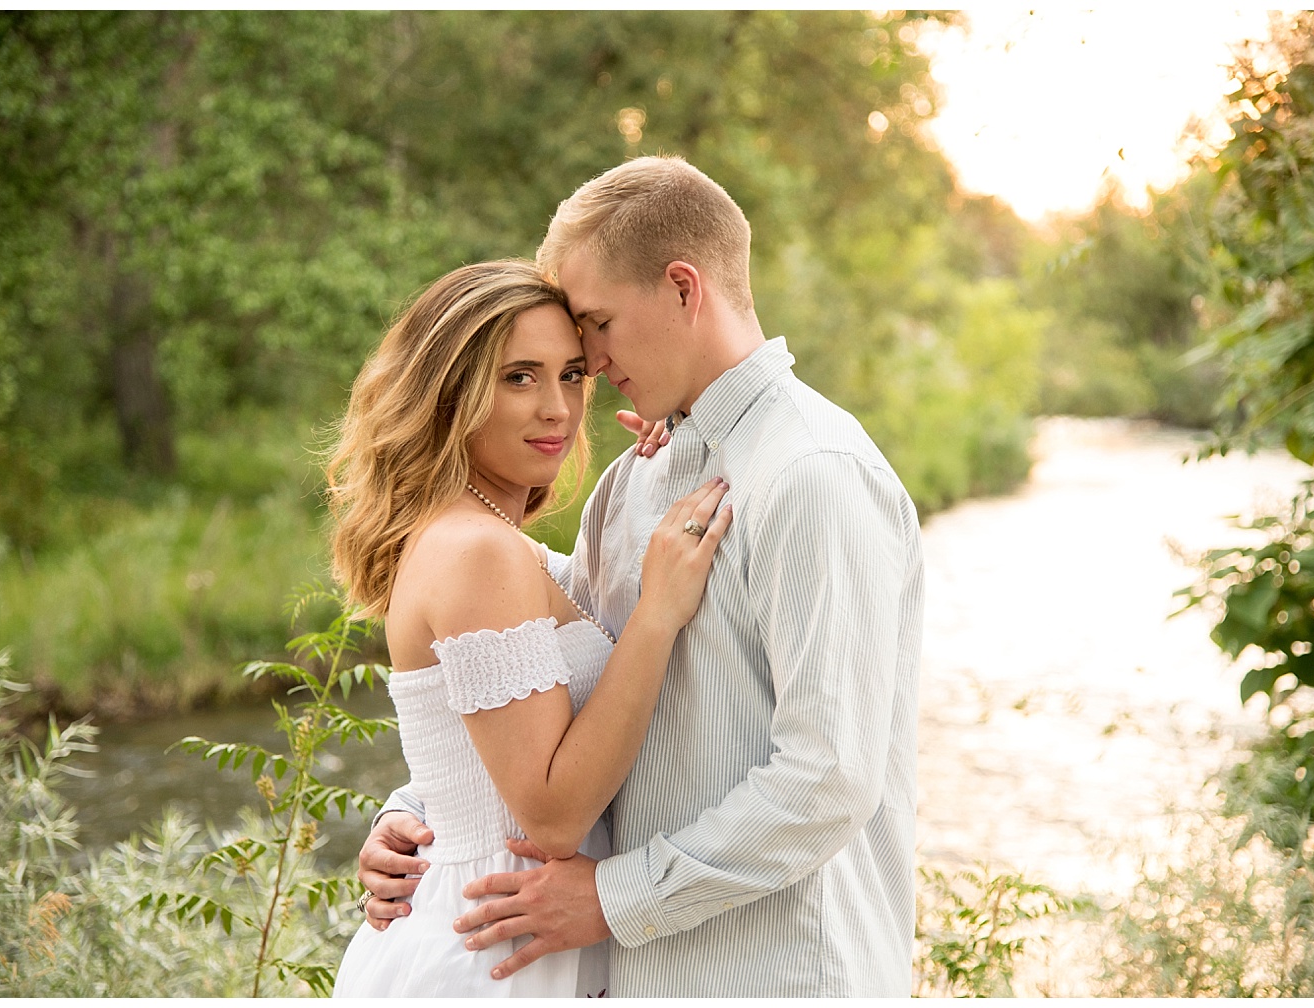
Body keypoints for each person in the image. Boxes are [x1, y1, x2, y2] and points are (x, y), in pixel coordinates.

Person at [359, 156, 925, 997]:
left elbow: (828, 778)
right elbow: (550, 704)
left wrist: (614, 900)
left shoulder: (814, 472)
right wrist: (419, 816)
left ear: (683, 289)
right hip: (625, 978)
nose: (585, 362)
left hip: (777, 975)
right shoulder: (633, 484)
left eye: (597, 325)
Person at [325, 259, 730, 997]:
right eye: (519, 377)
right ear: (450, 393)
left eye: (573, 375)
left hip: (507, 930)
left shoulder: (488, 542)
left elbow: (475, 754)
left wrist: (672, 461)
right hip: (492, 952)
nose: (557, 408)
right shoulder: (478, 551)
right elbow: (551, 816)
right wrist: (658, 613)